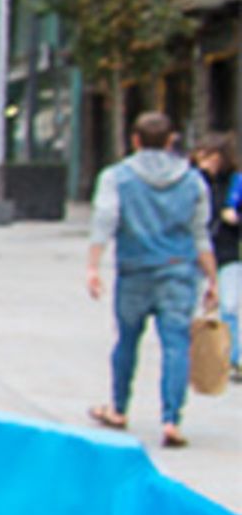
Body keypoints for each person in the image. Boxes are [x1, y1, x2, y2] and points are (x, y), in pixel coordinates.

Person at [85, 110, 214, 450]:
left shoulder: (117, 177)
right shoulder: (192, 180)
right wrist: (212, 278)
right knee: (176, 345)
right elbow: (200, 234)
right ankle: (171, 419)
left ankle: (118, 408)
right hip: (179, 270)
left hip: (135, 269)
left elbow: (105, 219)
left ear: (135, 140)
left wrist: (93, 265)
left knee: (127, 340)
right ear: (172, 141)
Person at [199, 130, 242, 383]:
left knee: (229, 306)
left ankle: (231, 359)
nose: (205, 162)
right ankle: (197, 357)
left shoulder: (236, 183)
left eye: (210, 156)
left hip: (227, 252)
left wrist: (236, 219)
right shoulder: (194, 182)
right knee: (194, 305)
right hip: (198, 253)